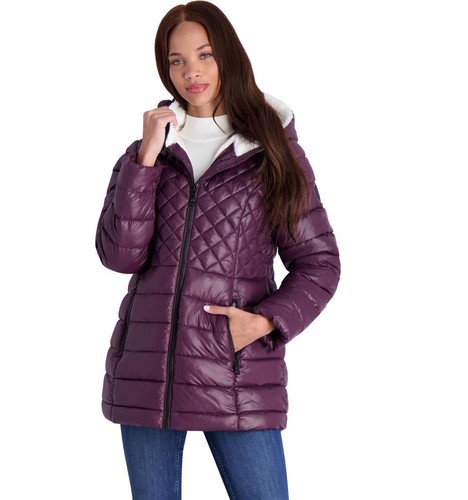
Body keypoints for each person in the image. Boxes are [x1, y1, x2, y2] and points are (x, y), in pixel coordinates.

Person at [95, 1, 340, 498]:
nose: (192, 72)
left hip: (234, 374)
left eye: (204, 55)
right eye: (177, 60)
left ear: (229, 56)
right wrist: (145, 159)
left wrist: (266, 321)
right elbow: (121, 256)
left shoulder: (272, 151)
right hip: (147, 375)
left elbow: (319, 263)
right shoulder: (146, 154)